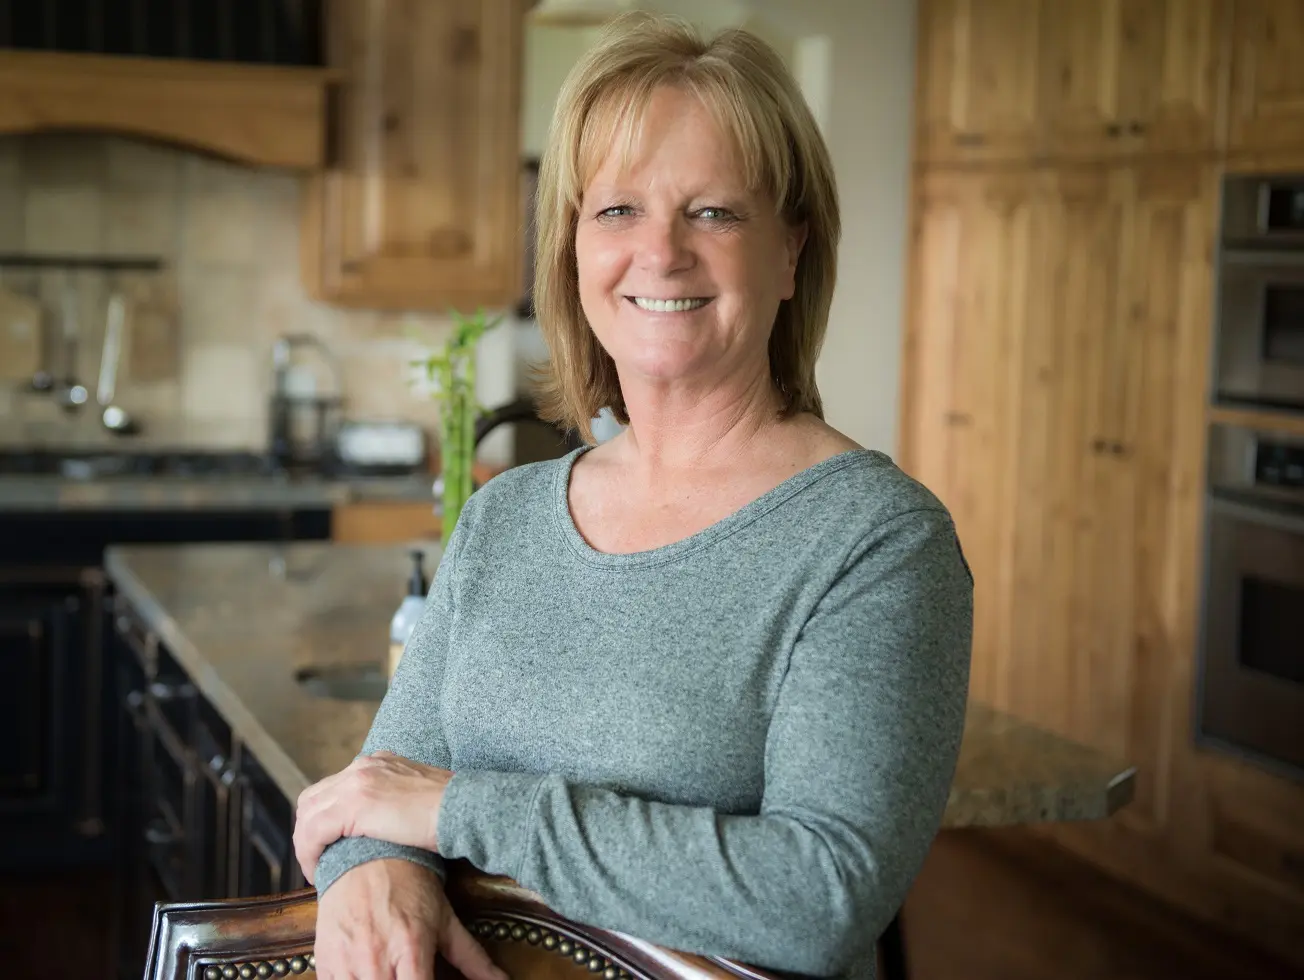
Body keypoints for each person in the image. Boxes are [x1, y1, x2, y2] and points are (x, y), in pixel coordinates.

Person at [292, 11, 973, 980]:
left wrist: (453, 813)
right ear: (573, 249)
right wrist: (372, 869)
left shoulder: (874, 542)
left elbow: (817, 895)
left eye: (712, 212)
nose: (660, 253)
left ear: (788, 253)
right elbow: (379, 788)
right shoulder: (505, 517)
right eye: (616, 210)